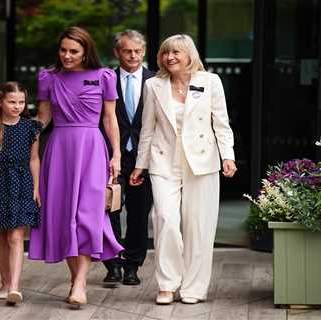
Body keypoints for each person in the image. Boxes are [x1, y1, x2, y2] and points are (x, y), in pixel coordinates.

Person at [130, 34, 237, 305]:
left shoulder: (210, 82)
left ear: (190, 55)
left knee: (198, 227)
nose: (170, 57)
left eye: (176, 52)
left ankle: (193, 288)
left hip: (201, 161)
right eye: (166, 53)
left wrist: (228, 156)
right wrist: (140, 165)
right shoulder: (153, 85)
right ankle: (167, 284)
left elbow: (221, 123)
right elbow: (148, 129)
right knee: (165, 219)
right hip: (164, 160)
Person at [28, 26, 124, 307]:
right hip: (59, 150)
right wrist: (19, 134)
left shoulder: (104, 76)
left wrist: (116, 154)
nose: (67, 56)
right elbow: (43, 117)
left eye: (74, 51)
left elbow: (110, 119)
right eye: (63, 50)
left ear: (86, 51)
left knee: (87, 216)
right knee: (64, 216)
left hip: (92, 149)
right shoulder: (49, 77)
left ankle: (80, 281)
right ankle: (76, 280)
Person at [0, 82, 42, 305]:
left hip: (21, 183)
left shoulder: (30, 127)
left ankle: (15, 286)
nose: (17, 106)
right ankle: (4, 283)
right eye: (12, 102)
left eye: (21, 102)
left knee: (15, 235)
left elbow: (34, 159)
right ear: (0, 102)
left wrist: (37, 187)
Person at [102, 30, 155, 286]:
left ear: (143, 51)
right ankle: (112, 263)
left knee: (139, 213)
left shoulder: (156, 80)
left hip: (145, 157)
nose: (132, 55)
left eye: (137, 51)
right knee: (108, 209)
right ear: (117, 53)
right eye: (127, 51)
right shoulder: (106, 78)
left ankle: (133, 265)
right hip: (112, 155)